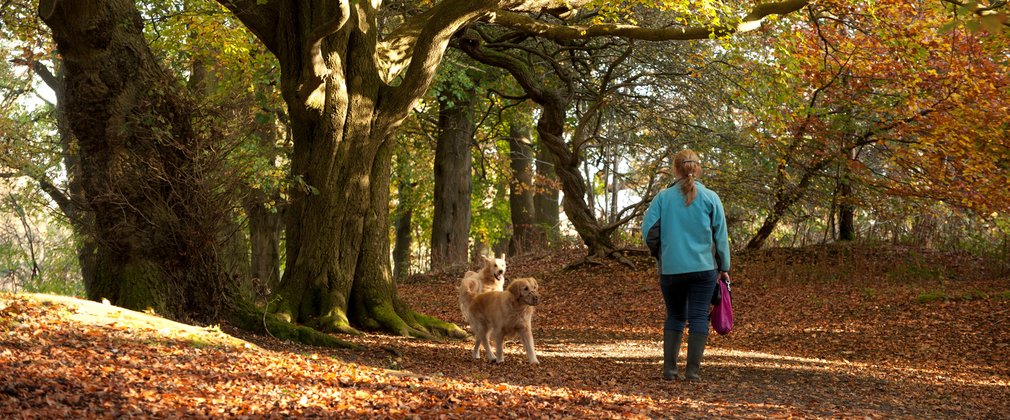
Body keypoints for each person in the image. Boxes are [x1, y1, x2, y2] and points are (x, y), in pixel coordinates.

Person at [641, 149, 731, 381]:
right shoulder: (711, 197)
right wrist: (724, 266)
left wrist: (661, 254)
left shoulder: (663, 198)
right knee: (699, 317)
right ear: (697, 168)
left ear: (675, 169)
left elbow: (649, 232)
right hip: (704, 269)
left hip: (671, 269)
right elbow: (720, 236)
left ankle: (670, 370)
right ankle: (692, 372)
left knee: (675, 316)